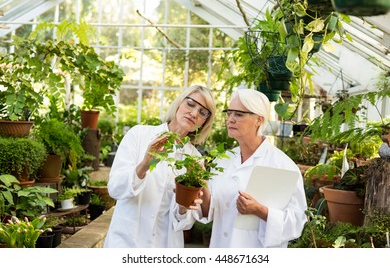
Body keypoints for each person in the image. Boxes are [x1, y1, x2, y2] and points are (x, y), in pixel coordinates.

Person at [103, 85, 216, 248]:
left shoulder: (194, 160)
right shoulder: (139, 135)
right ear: (179, 103)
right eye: (190, 104)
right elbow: (115, 188)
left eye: (202, 112)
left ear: (205, 121)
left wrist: (184, 208)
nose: (194, 113)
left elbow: (184, 224)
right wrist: (144, 165)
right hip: (126, 243)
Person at [197, 88, 307, 248]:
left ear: (258, 120)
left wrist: (260, 210)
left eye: (239, 114)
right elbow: (210, 211)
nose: (230, 119)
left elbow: (297, 221)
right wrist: (201, 183)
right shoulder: (223, 161)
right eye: (229, 113)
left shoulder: (283, 166)